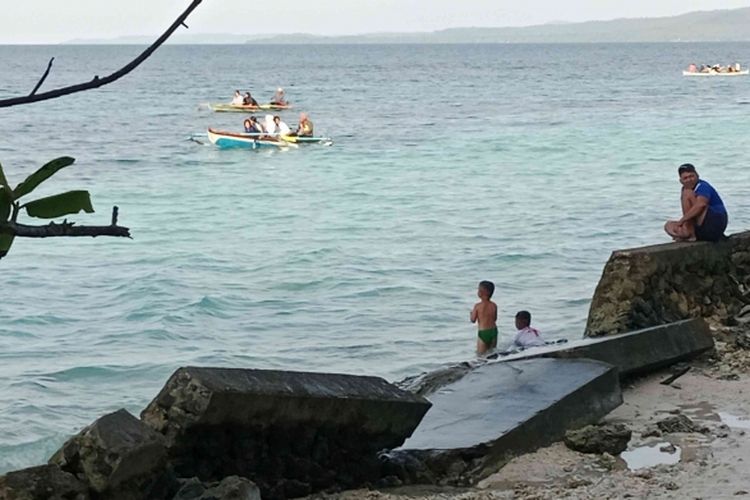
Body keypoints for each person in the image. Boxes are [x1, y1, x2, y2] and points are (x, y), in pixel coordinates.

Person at [664, 163, 728, 242]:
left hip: (714, 223)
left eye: (691, 176)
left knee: (687, 193)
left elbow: (701, 205)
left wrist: (682, 221)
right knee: (668, 225)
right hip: (701, 228)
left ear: (697, 175)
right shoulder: (685, 188)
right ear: (681, 181)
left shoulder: (702, 186)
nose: (689, 180)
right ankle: (688, 233)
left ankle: (690, 233)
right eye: (685, 178)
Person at [470, 280, 498, 355]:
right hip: (493, 331)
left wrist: (471, 314)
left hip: (483, 332)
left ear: (482, 293)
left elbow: (473, 320)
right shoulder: (494, 305)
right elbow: (495, 318)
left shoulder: (477, 306)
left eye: (479, 290)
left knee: (480, 355)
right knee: (491, 354)